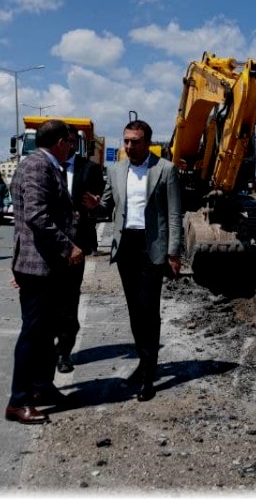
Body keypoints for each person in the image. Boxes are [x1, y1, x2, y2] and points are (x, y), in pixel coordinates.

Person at [5, 119, 83, 425]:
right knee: (33, 334)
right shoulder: (38, 165)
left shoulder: (47, 164)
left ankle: (41, 388)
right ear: (60, 142)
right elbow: (37, 215)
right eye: (70, 142)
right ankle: (18, 401)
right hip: (39, 265)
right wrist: (69, 247)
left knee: (46, 331)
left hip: (48, 265)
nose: (73, 147)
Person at [99, 119, 182, 402]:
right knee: (134, 310)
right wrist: (91, 206)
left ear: (148, 142)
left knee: (148, 310)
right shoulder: (116, 169)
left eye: (135, 141)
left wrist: (174, 253)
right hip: (125, 246)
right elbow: (107, 205)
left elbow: (173, 214)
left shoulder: (166, 169)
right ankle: (144, 362)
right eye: (126, 141)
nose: (129, 146)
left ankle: (148, 376)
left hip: (152, 247)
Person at [53, 144, 106, 374]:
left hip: (76, 245)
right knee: (47, 300)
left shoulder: (90, 169)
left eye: (70, 140)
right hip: (47, 245)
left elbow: (100, 204)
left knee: (69, 296)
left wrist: (95, 206)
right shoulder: (44, 165)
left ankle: (64, 351)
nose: (66, 145)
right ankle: (46, 348)